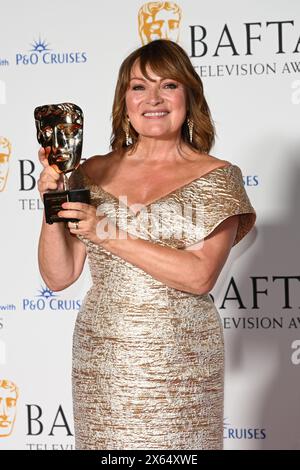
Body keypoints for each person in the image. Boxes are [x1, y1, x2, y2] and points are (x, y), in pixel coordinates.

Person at [37, 39, 256, 450]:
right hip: (104, 357)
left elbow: (199, 276)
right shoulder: (89, 172)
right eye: (139, 87)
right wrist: (51, 203)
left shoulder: (218, 178)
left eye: (168, 85)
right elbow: (59, 275)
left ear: (189, 96)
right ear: (125, 100)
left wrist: (107, 232)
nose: (153, 99)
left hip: (183, 361)